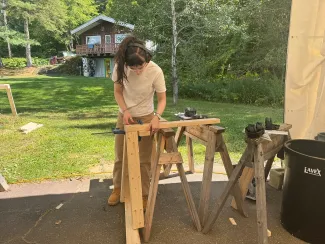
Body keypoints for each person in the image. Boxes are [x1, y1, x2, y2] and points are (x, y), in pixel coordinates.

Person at [108, 35, 166, 210]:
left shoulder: (155, 71)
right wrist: (125, 111)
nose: (137, 71)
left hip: (147, 117)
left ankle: (143, 194)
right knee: (120, 155)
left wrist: (156, 116)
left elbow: (162, 99)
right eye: (133, 68)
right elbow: (118, 92)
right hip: (125, 115)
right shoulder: (120, 67)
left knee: (144, 160)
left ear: (147, 59)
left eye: (140, 67)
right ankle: (118, 188)